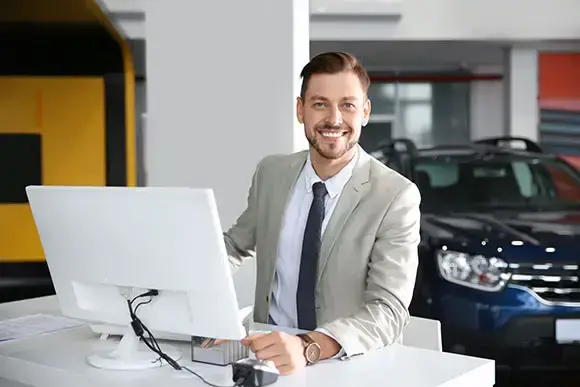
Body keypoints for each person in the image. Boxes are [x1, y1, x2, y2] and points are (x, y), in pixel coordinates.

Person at [224, 51, 421, 375]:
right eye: (320, 104)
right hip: (269, 361)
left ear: (365, 111)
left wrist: (309, 347)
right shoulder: (271, 173)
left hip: (348, 364)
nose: (334, 119)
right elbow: (235, 245)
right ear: (301, 110)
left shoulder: (395, 196)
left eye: (347, 105)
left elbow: (388, 310)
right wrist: (198, 296)